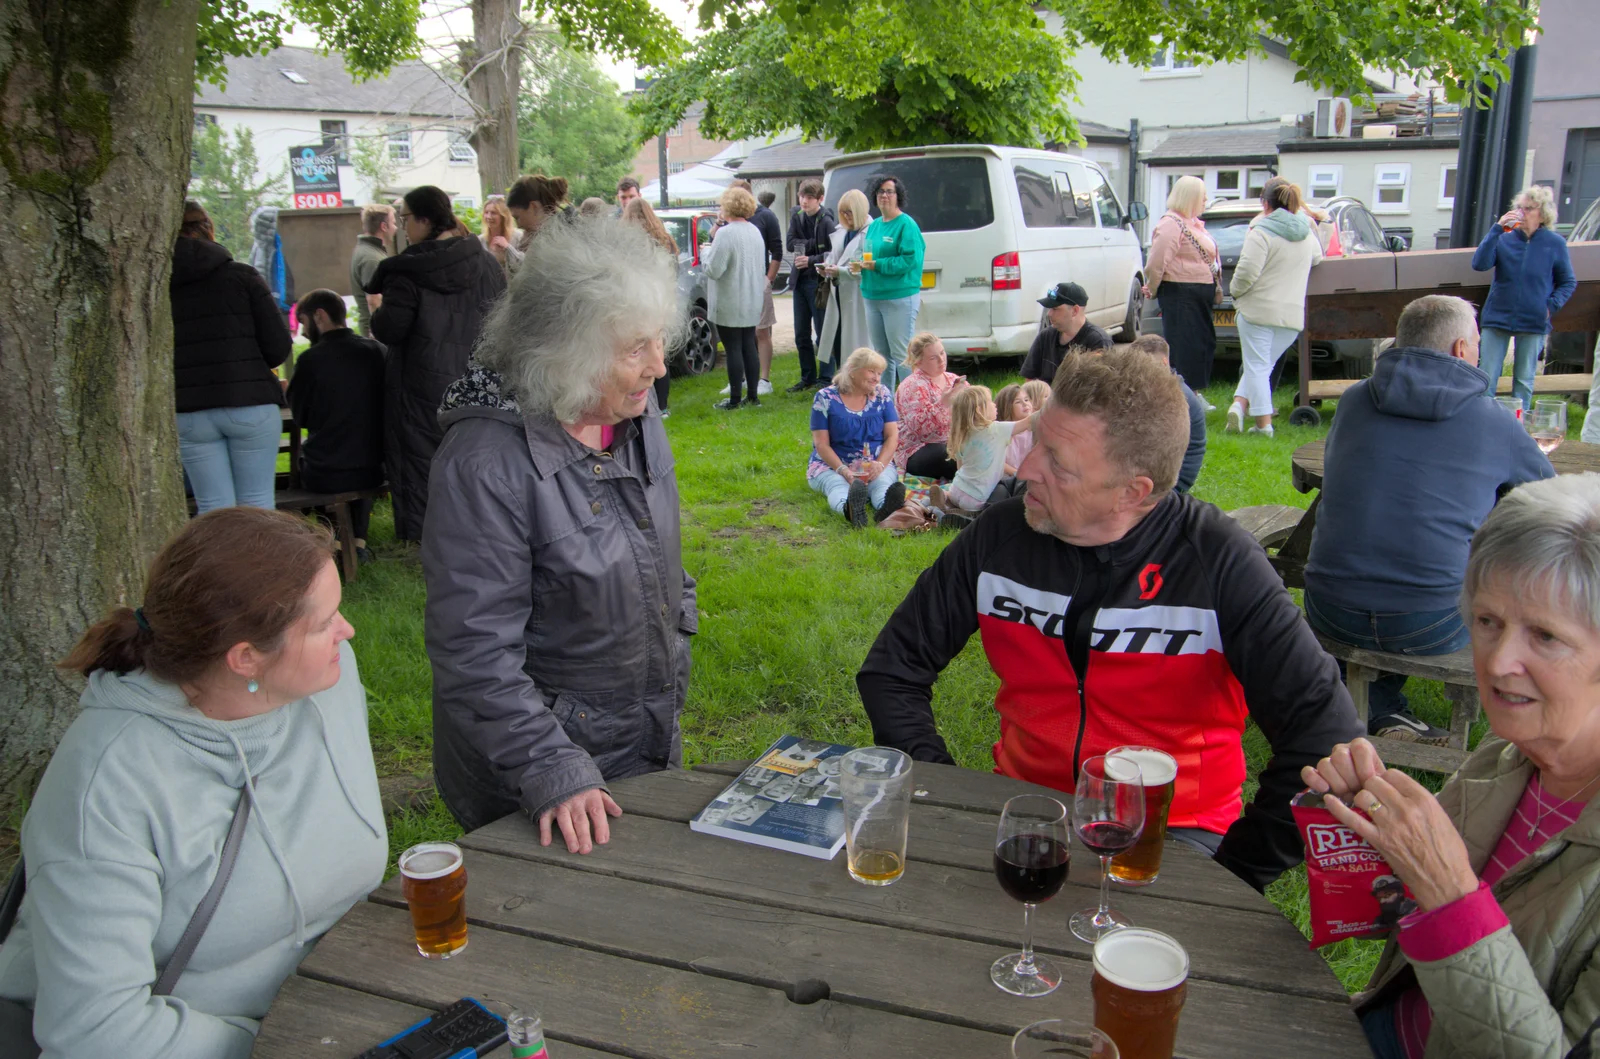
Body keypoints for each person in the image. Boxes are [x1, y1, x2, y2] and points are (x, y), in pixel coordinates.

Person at [857, 348, 1362, 892]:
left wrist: (1236, 875)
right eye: (1036, 443)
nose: (1025, 469)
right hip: (1024, 811)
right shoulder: (1000, 539)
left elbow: (1326, 740)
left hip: (1176, 832)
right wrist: (953, 792)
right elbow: (892, 670)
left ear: (1133, 492)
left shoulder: (1218, 562)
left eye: (1058, 462)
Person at [0, 507, 386, 1058]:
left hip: (343, 1005)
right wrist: (287, 1044)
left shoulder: (328, 679)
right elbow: (95, 1028)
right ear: (246, 657)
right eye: (324, 623)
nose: (346, 631)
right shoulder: (104, 786)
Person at [1303, 475, 1600, 1059]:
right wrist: (1360, 828)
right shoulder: (1505, 760)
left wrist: (1450, 891)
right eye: (1488, 621)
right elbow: (1386, 916)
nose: (1498, 660)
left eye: (1544, 635)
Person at [423, 217, 694, 846]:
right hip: (535, 765)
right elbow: (473, 651)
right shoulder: (484, 464)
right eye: (635, 348)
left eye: (657, 339)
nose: (659, 365)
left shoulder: (632, 407)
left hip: (640, 725)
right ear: (568, 353)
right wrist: (551, 765)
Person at [1304, 295, 1553, 747]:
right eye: (1477, 343)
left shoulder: (1354, 401)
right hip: (1430, 621)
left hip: (1327, 604)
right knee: (1492, 563)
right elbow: (1546, 497)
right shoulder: (1493, 420)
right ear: (1461, 349)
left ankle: (1371, 707)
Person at [366, 185, 505, 542]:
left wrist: (376, 312)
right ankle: (480, 531)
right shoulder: (484, 261)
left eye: (407, 218)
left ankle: (431, 540)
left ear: (426, 219)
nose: (404, 225)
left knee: (423, 462)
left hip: (421, 384)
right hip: (477, 378)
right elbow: (502, 318)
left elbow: (390, 328)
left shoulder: (406, 272)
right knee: (475, 459)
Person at [170, 200, 292, 513]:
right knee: (258, 506)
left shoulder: (160, 286)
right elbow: (277, 347)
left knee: (213, 508)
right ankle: (262, 563)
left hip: (189, 408)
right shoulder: (243, 277)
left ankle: (220, 564)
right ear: (208, 228)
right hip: (249, 400)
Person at [288, 289, 387, 561]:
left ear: (319, 316)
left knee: (316, 460)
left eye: (304, 322)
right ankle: (358, 540)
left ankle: (334, 542)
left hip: (326, 472)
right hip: (375, 468)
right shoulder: (377, 351)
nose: (303, 332)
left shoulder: (310, 360)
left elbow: (301, 418)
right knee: (357, 454)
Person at [1225, 177, 1323, 438]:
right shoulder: (1305, 231)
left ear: (1265, 204)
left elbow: (1246, 273)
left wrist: (1234, 292)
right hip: (1291, 314)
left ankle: (1263, 425)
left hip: (1258, 310)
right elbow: (1317, 257)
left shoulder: (1261, 231)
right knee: (1262, 366)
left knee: (1256, 367)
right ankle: (1238, 404)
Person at [1471, 185, 1577, 410]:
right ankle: (1484, 426)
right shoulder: (1504, 238)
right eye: (1520, 208)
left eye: (1529, 208)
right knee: (1487, 378)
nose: (1523, 212)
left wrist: (1549, 306)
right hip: (1497, 318)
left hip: (1533, 321)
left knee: (1523, 381)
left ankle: (1518, 430)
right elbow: (1479, 264)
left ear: (1542, 213)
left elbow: (1568, 281)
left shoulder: (1554, 243)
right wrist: (1496, 229)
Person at [808, 347, 906, 527]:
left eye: (879, 373)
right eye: (871, 371)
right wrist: (844, 471)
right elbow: (821, 444)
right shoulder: (825, 398)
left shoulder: (882, 394)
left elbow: (892, 436)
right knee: (838, 486)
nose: (877, 378)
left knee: (882, 483)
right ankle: (850, 509)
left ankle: (886, 508)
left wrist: (881, 465)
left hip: (875, 462)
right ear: (852, 370)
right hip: (833, 465)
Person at [1141, 175, 1219, 394]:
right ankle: (1183, 395)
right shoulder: (1171, 224)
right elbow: (1157, 261)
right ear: (1190, 197)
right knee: (1184, 346)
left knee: (1202, 343)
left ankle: (1193, 393)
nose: (1205, 200)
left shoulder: (1192, 224)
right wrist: (1153, 287)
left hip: (1197, 293)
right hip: (1181, 293)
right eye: (1201, 196)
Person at [858, 174, 926, 392]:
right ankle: (885, 404)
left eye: (889, 191)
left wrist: (877, 265)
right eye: (880, 192)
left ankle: (911, 402)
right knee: (881, 356)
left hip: (899, 297)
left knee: (901, 355)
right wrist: (861, 265)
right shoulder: (875, 225)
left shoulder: (906, 225)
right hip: (872, 296)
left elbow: (909, 260)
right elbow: (868, 256)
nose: (884, 196)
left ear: (898, 196)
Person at [702, 185, 768, 410]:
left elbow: (713, 269)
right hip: (751, 297)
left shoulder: (726, 233)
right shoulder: (755, 231)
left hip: (730, 298)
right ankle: (752, 396)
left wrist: (705, 252)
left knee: (733, 348)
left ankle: (734, 399)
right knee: (749, 345)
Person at [927, 385, 1029, 521]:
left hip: (957, 488)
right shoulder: (996, 429)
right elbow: (1028, 422)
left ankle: (944, 502)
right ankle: (970, 517)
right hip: (977, 498)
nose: (995, 405)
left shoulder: (962, 434)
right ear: (980, 410)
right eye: (990, 402)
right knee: (1002, 493)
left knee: (956, 497)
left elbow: (959, 468)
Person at [622, 197, 681, 417]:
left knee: (641, 358)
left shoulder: (629, 243)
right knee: (658, 356)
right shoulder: (665, 240)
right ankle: (662, 407)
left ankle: (647, 404)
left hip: (641, 306)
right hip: (663, 305)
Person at [1129, 334, 1206, 494]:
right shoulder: (1158, 388)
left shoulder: (1175, 397)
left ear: (1164, 362)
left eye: (1146, 366)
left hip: (1170, 482)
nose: (1141, 373)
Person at [786, 179, 837, 392]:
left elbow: (832, 254)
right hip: (800, 281)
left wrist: (809, 258)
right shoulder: (797, 216)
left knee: (822, 331)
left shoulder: (826, 221)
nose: (804, 202)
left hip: (818, 283)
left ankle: (826, 379)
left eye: (809, 198)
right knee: (801, 333)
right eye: (801, 197)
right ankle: (807, 377)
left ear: (820, 199)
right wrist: (810, 246)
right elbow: (790, 243)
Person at [818, 189, 873, 386]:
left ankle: (861, 383)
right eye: (843, 213)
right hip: (840, 293)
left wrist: (839, 271)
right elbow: (834, 257)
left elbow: (864, 266)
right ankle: (845, 382)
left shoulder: (870, 231)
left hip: (859, 296)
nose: (846, 217)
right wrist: (826, 269)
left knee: (859, 341)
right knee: (839, 339)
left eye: (850, 212)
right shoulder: (842, 231)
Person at [893, 331, 965, 479]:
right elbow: (919, 430)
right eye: (933, 358)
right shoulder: (912, 386)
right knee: (951, 454)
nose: (941, 360)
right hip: (918, 449)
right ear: (918, 362)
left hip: (953, 441)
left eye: (942, 353)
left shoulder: (953, 379)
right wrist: (943, 404)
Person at [1020, 281, 1113, 383]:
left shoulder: (1098, 341)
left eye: (1055, 309)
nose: (1049, 314)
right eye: (1049, 308)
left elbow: (1104, 389)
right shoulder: (1045, 337)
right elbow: (1029, 382)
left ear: (1074, 311)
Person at [349, 203, 394, 337]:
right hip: (376, 334)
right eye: (393, 223)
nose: (396, 228)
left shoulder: (367, 251)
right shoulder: (372, 258)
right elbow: (374, 300)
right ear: (384, 226)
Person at [505, 174, 565, 274]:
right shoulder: (554, 233)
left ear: (534, 207)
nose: (518, 226)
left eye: (517, 218)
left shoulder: (558, 242)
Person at [1003, 379, 1053, 471]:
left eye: (1026, 400)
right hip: (1009, 478)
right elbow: (999, 463)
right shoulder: (1003, 433)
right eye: (1046, 396)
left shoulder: (1037, 430)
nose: (1025, 403)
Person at [479, 197, 518, 278]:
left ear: (503, 216)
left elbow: (521, 266)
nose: (488, 217)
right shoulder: (480, 240)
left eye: (493, 213)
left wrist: (508, 247)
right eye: (486, 212)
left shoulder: (518, 237)